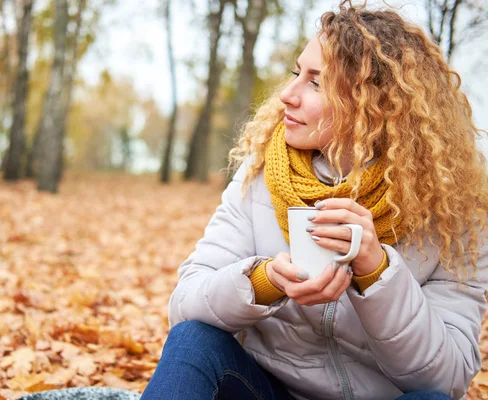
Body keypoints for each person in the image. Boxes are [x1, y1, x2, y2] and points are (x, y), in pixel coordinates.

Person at [141, 1, 488, 399]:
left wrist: (378, 274)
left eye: (316, 83)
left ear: (376, 107)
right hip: (267, 390)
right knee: (193, 340)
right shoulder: (261, 176)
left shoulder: (455, 214)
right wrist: (263, 282)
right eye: (295, 73)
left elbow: (446, 380)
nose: (287, 94)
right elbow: (184, 305)